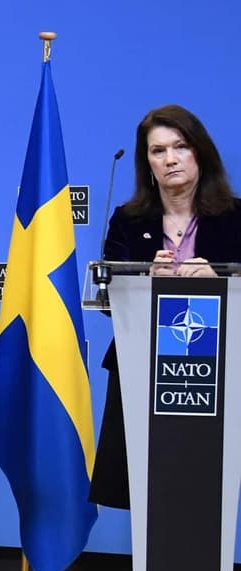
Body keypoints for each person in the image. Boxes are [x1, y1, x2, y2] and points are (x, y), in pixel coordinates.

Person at [89, 104, 241, 509]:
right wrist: (141, 282)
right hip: (143, 367)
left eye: (180, 147)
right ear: (148, 163)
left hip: (217, 371)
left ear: (200, 153)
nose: (170, 159)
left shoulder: (236, 217)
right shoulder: (127, 219)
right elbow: (108, 301)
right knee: (147, 491)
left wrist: (221, 283)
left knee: (205, 493)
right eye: (158, 151)